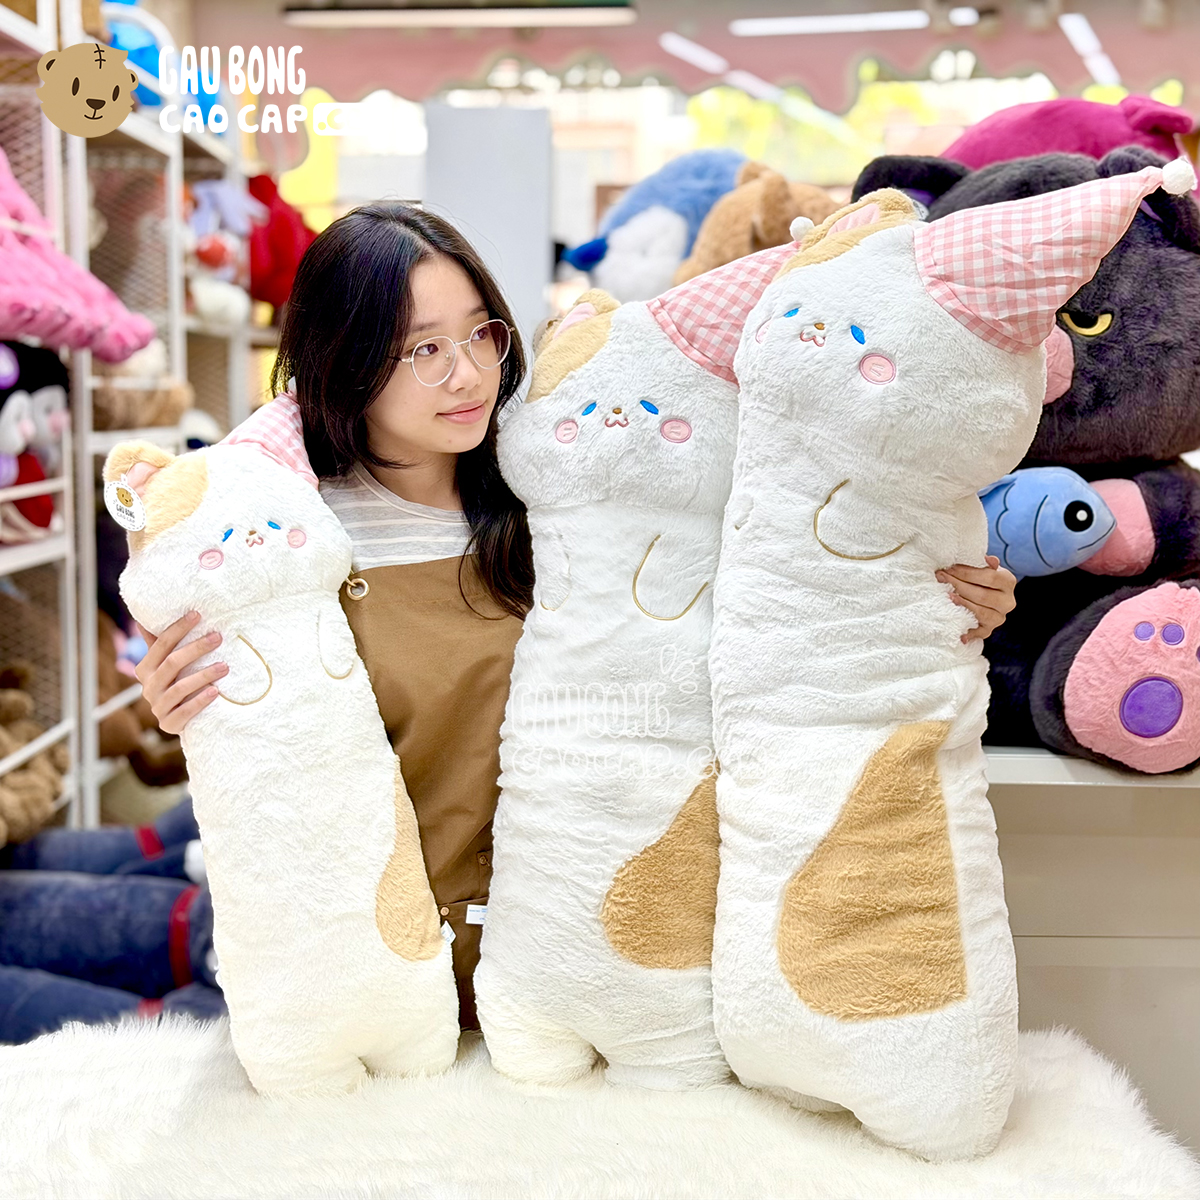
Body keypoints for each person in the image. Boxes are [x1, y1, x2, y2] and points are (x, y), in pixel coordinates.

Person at [132, 202, 1017, 1029]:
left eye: (480, 332)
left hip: (574, 976)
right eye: (422, 349)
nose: (468, 373)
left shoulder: (573, 483)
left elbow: (759, 611)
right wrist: (181, 707)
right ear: (343, 359)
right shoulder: (285, 539)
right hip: (373, 986)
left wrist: (927, 599)